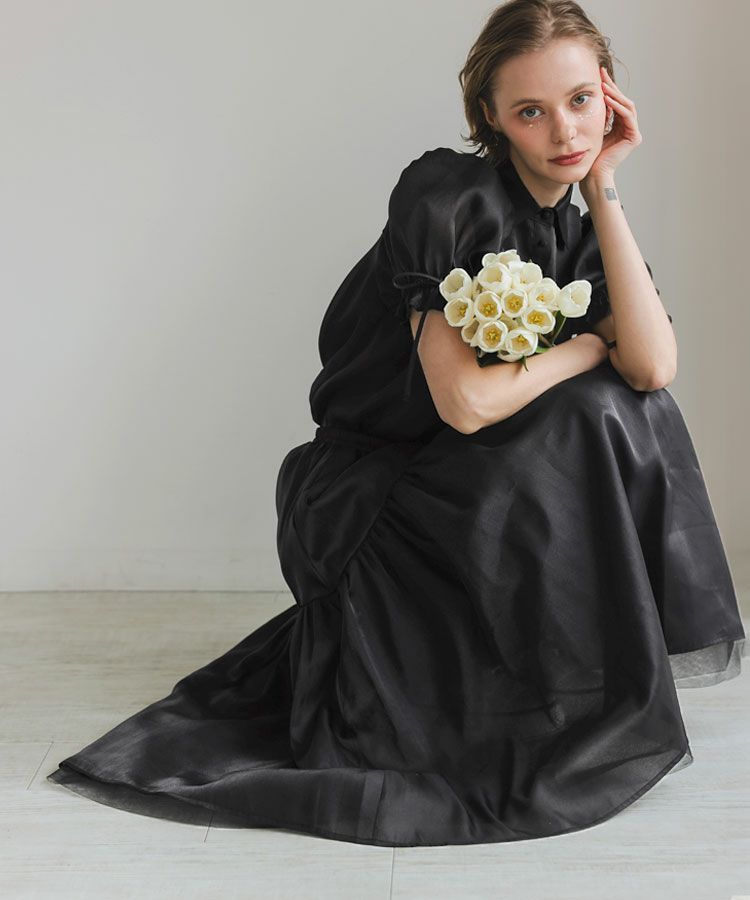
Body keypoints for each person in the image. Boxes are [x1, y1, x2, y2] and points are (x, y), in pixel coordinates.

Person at [47, 0, 746, 847]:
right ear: (491, 117)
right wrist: (582, 351)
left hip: (481, 486)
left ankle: (580, 672)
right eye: (530, 110)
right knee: (593, 401)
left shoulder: (582, 221)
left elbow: (654, 369)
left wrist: (604, 186)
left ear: (610, 96)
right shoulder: (446, 195)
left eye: (580, 101)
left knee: (624, 405)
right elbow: (466, 404)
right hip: (376, 495)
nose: (565, 130)